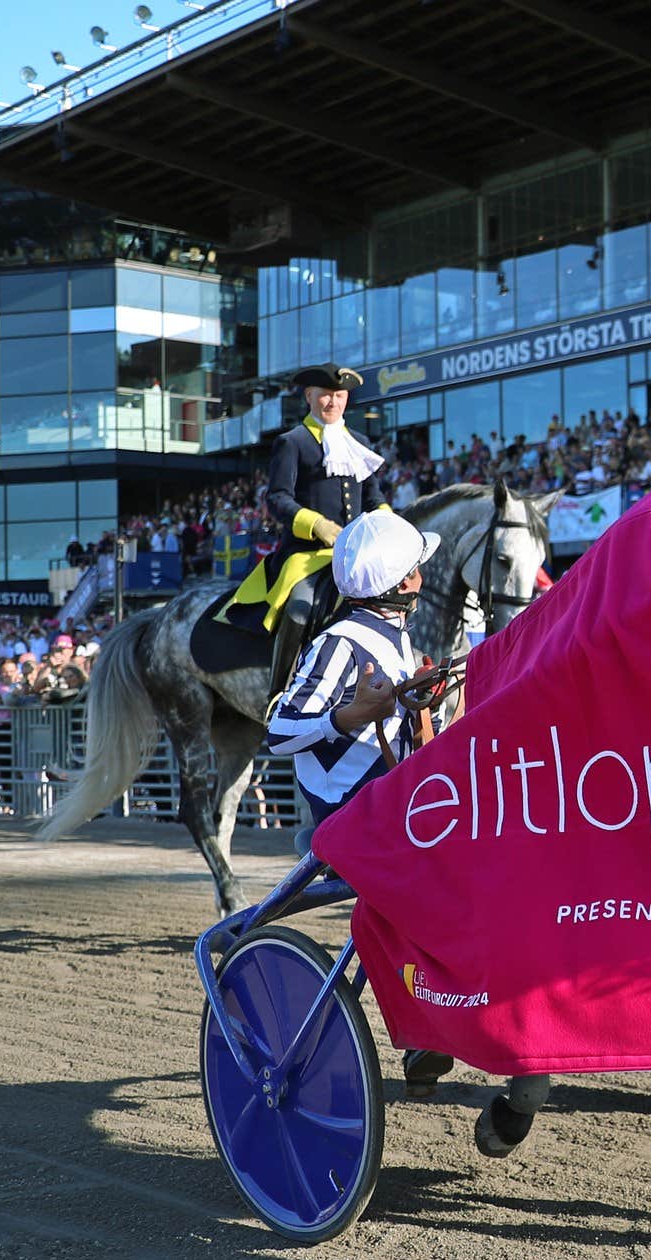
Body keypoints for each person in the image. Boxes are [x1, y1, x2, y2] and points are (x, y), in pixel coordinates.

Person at [266, 508, 447, 1091]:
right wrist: (349, 716)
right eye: (417, 568)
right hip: (353, 816)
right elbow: (278, 730)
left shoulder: (396, 637)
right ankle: (424, 1024)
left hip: (395, 803)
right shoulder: (340, 642)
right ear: (403, 583)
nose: (422, 575)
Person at [226, 364, 392, 699]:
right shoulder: (292, 442)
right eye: (326, 395)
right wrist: (316, 524)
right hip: (307, 556)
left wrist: (391, 526)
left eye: (339, 395)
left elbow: (374, 499)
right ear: (309, 396)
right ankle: (279, 692)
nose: (332, 402)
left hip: (355, 556)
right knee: (299, 609)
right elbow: (277, 498)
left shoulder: (358, 442)